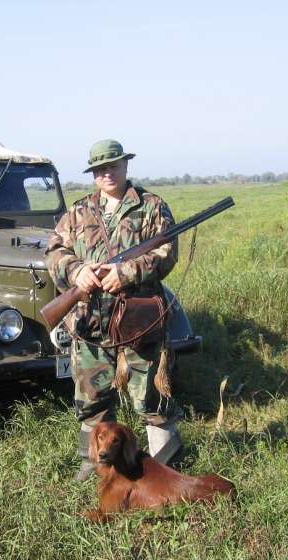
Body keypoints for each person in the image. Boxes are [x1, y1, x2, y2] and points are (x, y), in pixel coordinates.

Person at [45, 139, 184, 481]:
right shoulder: (78, 212)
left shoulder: (152, 206)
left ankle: (165, 467)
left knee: (151, 396)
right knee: (92, 399)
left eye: (113, 166)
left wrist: (126, 272)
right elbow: (55, 252)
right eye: (100, 168)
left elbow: (166, 252)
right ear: (93, 173)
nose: (107, 173)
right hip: (91, 324)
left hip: (139, 322)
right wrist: (77, 271)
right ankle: (95, 464)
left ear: (125, 166)